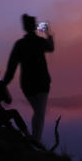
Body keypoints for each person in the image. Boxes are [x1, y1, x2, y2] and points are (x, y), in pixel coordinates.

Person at [3, 13, 54, 142]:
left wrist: (4, 83)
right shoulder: (40, 42)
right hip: (42, 83)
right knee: (39, 112)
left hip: (27, 85)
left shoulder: (20, 44)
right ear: (34, 26)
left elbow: (11, 66)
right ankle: (36, 140)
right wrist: (48, 33)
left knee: (38, 112)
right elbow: (51, 47)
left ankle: (35, 138)